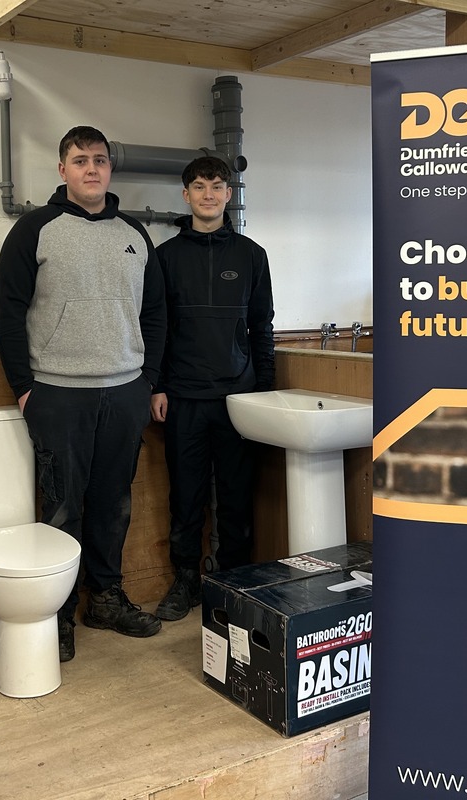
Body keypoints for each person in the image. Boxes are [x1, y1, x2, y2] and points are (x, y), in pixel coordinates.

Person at [0, 125, 166, 663]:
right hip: (58, 394)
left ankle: (106, 600)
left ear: (110, 169)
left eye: (100, 160)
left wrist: (147, 382)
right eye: (80, 160)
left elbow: (156, 314)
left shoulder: (135, 234)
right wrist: (25, 388)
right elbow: (7, 310)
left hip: (124, 392)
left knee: (114, 504)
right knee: (62, 507)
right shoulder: (34, 229)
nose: (91, 169)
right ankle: (59, 614)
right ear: (62, 169)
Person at [150, 155, 276, 621]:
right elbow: (156, 328)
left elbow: (263, 327)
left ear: (229, 194)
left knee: (238, 500)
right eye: (199, 186)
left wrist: (264, 390)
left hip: (239, 401)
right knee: (186, 498)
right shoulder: (165, 257)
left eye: (217, 186)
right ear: (186, 195)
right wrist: (157, 386)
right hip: (181, 398)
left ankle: (234, 582)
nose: (208, 194)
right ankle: (185, 582)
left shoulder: (251, 255)